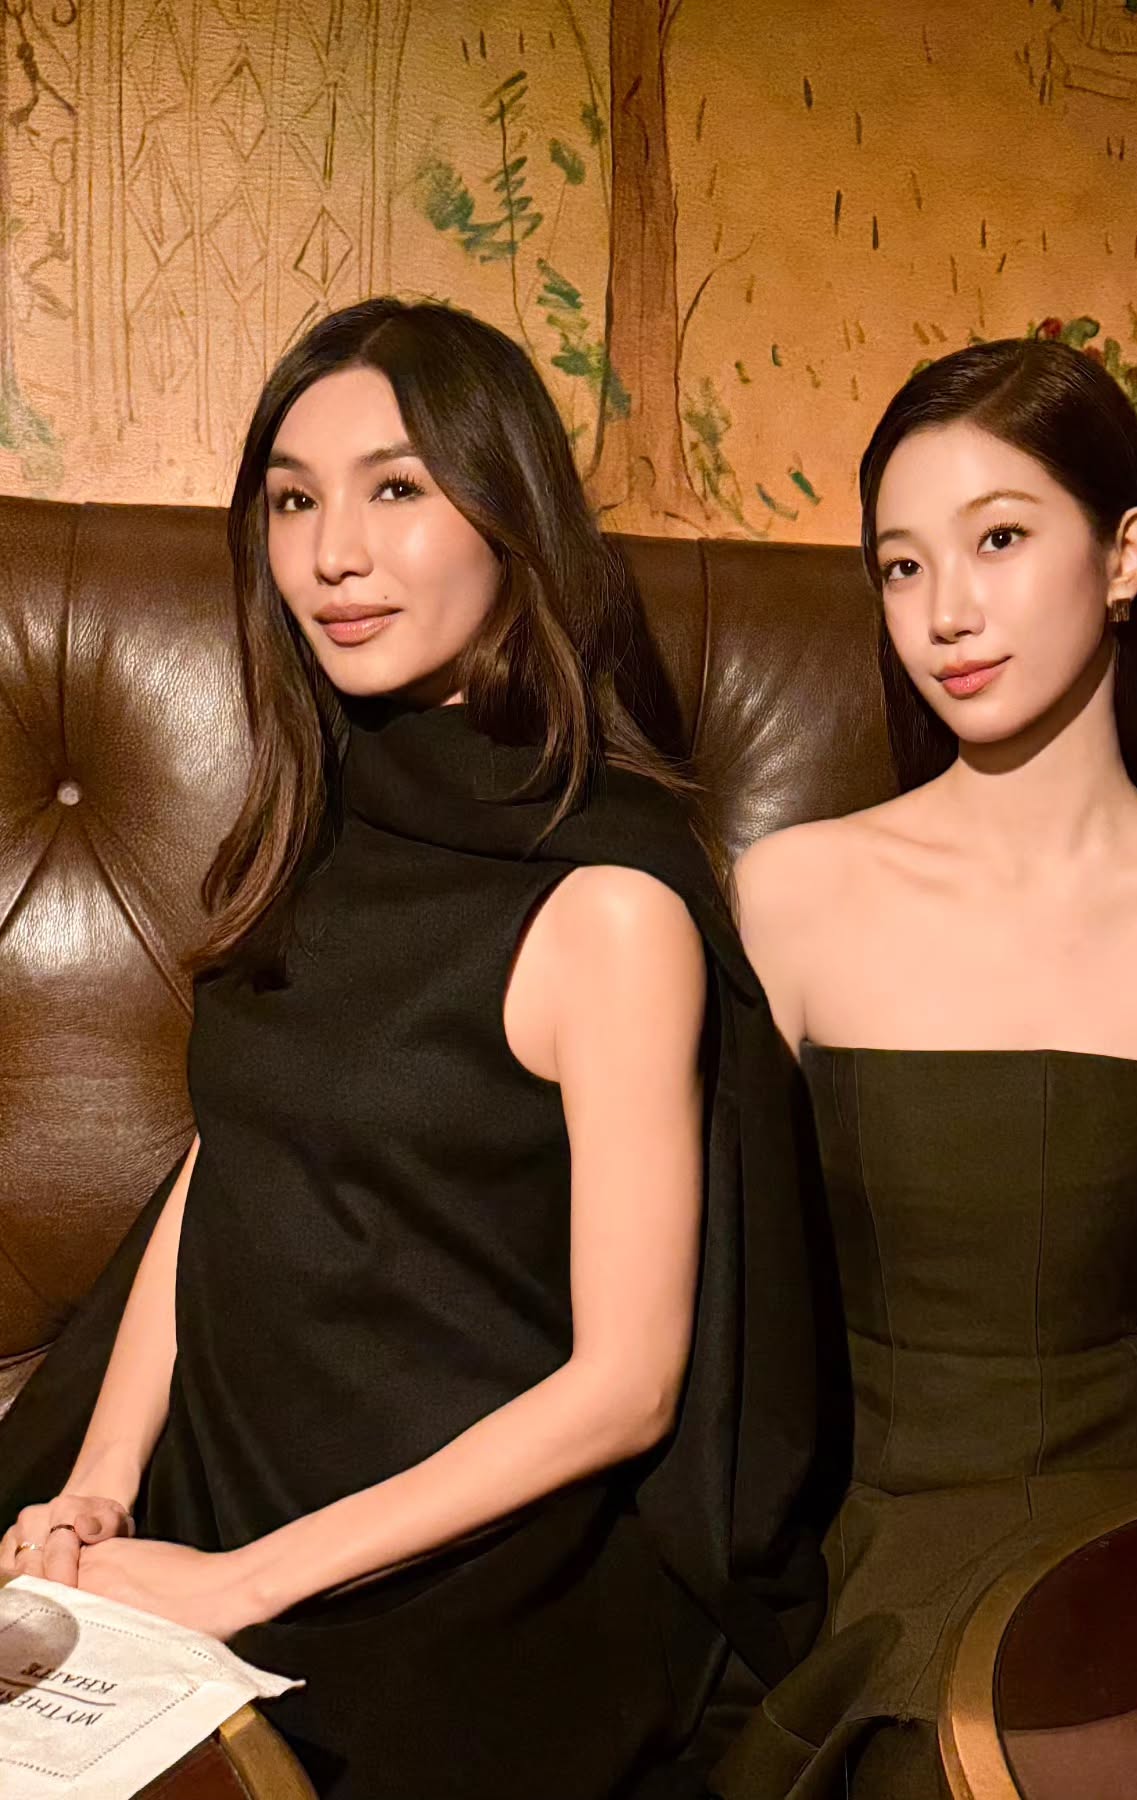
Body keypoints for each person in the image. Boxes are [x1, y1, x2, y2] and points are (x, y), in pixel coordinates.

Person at [0, 298, 823, 1798]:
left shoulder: (611, 905)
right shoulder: (313, 823)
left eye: (396, 489)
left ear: (511, 518)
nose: (332, 554)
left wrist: (240, 1586)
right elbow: (233, 1166)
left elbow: (627, 1386)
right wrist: (100, 1485)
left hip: (456, 1570)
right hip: (215, 1480)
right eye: (293, 501)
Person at [712, 338, 1137, 1798]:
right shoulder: (791, 892)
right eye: (902, 566)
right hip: (877, 1526)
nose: (947, 612)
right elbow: (729, 1300)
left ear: (1126, 556)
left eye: (998, 539)